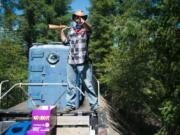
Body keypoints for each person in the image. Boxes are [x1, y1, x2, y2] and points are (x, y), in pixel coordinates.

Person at [60, 10, 99, 113]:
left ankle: (94, 105)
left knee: (88, 84)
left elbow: (90, 28)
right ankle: (70, 105)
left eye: (81, 17)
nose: (78, 19)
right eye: (77, 17)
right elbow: (65, 42)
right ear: (74, 19)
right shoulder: (71, 30)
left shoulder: (86, 30)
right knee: (70, 84)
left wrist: (83, 22)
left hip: (83, 60)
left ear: (84, 19)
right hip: (71, 60)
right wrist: (62, 32)